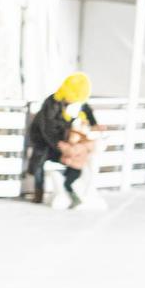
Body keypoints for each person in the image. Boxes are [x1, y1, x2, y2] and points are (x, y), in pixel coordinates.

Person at [27, 72, 99, 208]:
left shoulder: (78, 104)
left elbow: (88, 113)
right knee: (39, 161)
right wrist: (58, 144)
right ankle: (39, 192)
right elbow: (46, 128)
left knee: (76, 159)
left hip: (65, 141)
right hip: (45, 141)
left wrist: (94, 124)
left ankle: (68, 188)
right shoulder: (52, 102)